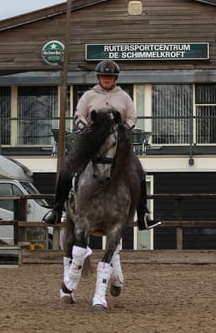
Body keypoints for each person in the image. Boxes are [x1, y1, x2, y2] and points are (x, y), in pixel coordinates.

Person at [43, 59, 162, 230]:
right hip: (91, 142)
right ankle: (56, 211)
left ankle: (143, 215)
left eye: (110, 77)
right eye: (104, 76)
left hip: (118, 143)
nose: (107, 79)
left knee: (139, 173)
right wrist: (87, 129)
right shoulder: (89, 96)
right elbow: (78, 115)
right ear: (99, 77)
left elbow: (132, 118)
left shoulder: (124, 97)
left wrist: (123, 130)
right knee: (65, 171)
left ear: (115, 79)